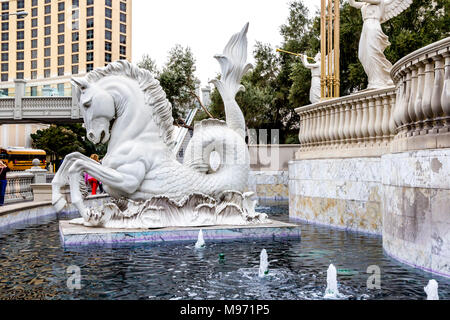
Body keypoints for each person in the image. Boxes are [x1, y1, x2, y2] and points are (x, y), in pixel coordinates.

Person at [349, 0, 394, 89]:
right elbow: (352, 3)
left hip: (373, 26)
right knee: (362, 55)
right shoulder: (365, 4)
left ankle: (380, 80)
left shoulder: (379, 2)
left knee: (373, 53)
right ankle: (374, 80)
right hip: (366, 27)